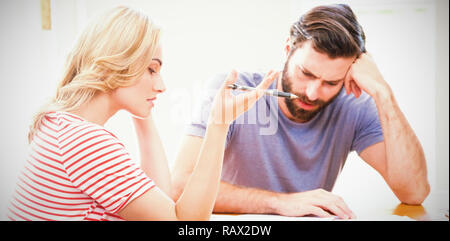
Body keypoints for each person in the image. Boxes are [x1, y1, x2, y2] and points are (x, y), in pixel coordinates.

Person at [7, 6, 278, 221]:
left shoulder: (58, 124)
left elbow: (161, 199)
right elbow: (186, 224)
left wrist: (143, 112)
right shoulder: (87, 141)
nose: (161, 86)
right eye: (151, 69)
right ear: (115, 63)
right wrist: (219, 123)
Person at [171, 4, 430, 219]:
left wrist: (384, 93)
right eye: (306, 73)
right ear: (287, 50)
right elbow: (180, 185)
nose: (313, 93)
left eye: (331, 82)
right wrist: (279, 203)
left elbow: (414, 192)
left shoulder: (353, 106)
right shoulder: (232, 91)